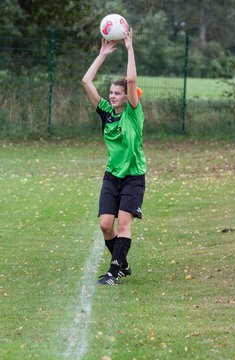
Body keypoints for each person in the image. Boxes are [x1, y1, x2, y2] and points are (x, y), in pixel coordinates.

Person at [82, 29, 146, 285]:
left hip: (133, 176)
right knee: (106, 225)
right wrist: (101, 55)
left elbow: (131, 80)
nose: (112, 95)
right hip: (112, 175)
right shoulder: (106, 112)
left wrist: (129, 47)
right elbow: (86, 82)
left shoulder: (132, 112)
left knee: (123, 226)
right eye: (111, 92)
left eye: (117, 93)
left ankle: (113, 271)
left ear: (127, 97)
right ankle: (123, 263)